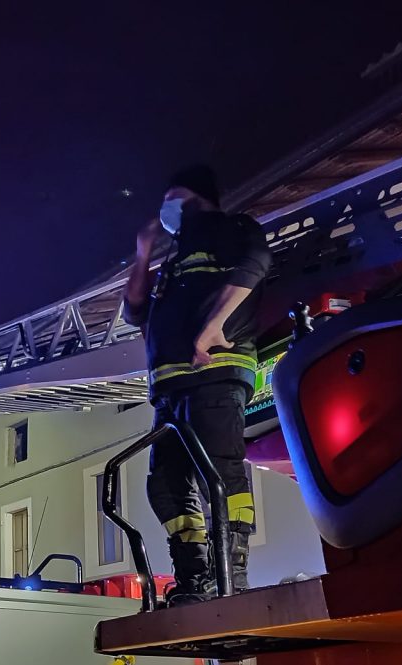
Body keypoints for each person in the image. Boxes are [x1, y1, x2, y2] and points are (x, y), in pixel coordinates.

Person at [123, 165, 272, 606]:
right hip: (171, 388)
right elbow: (135, 312)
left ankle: (232, 577)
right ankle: (196, 581)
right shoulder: (172, 259)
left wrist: (214, 326)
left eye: (177, 197)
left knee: (220, 472)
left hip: (216, 371)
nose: (169, 207)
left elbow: (257, 263)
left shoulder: (233, 229)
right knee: (167, 484)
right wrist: (143, 254)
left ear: (200, 198)